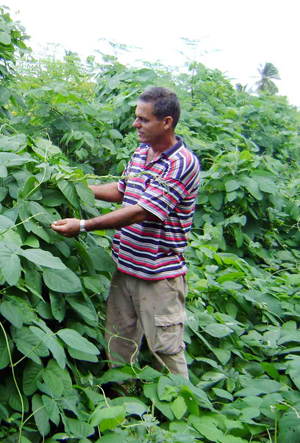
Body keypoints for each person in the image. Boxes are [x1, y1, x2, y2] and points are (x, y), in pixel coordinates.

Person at [51, 87, 200, 378]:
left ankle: (183, 417)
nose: (135, 124)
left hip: (159, 278)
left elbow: (140, 210)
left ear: (166, 122)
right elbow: (123, 191)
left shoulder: (182, 164)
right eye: (136, 118)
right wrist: (79, 189)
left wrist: (82, 225)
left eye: (143, 120)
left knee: (166, 352)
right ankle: (122, 407)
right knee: (118, 344)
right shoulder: (142, 152)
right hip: (126, 268)